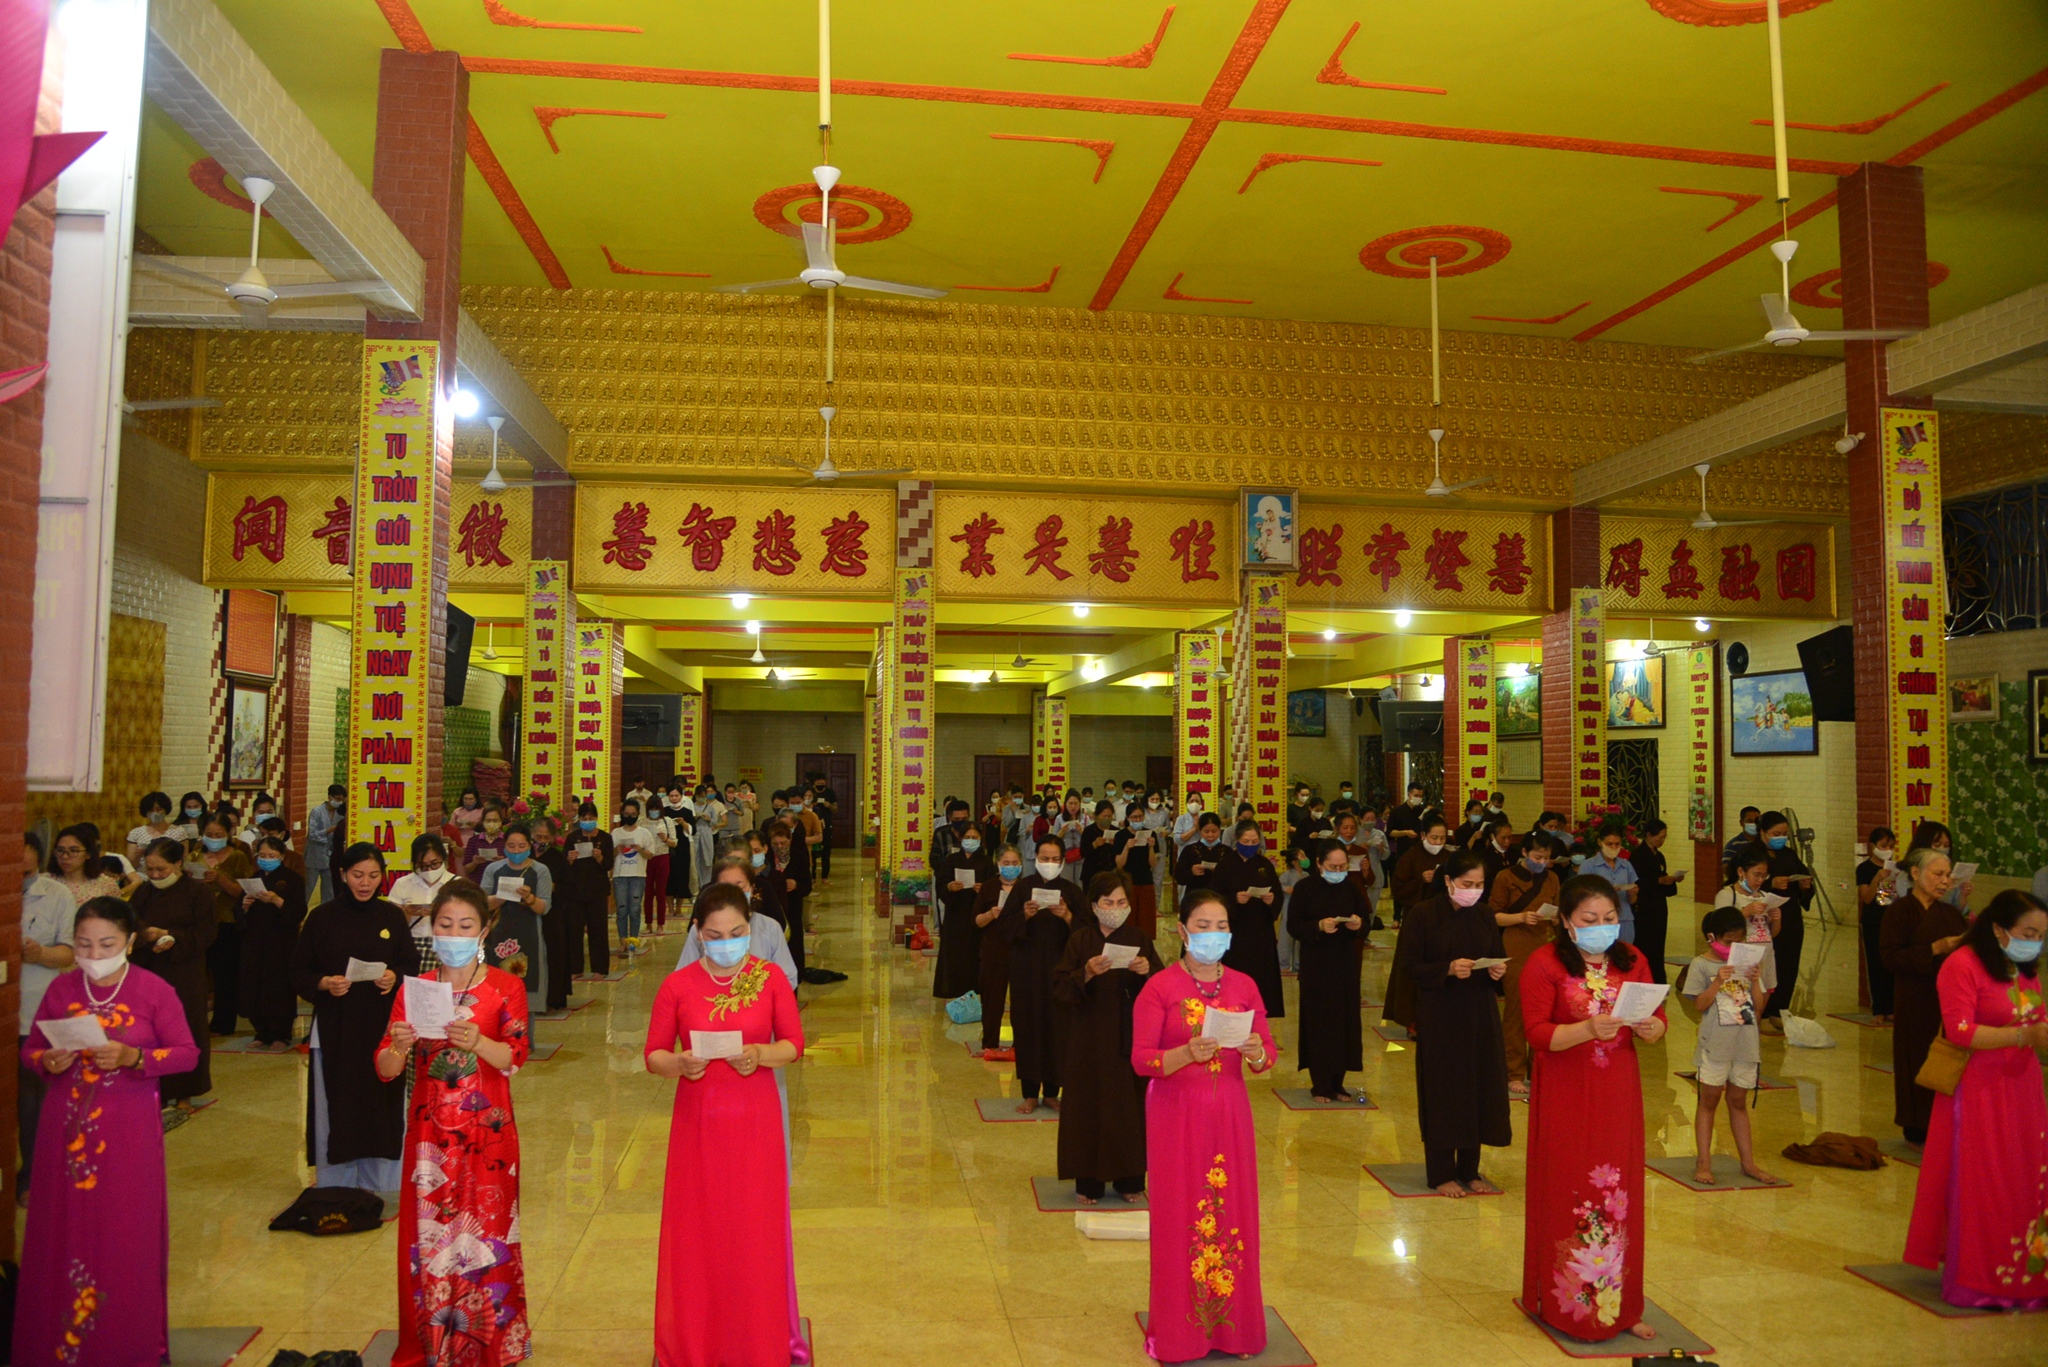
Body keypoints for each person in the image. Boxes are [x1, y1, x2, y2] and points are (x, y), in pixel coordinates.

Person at [14, 897, 199, 1367]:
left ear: (130, 942)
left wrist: (135, 1057)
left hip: (127, 1133)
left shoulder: (153, 989)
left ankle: (126, 1345)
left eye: (106, 944)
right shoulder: (61, 988)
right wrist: (47, 1059)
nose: (94, 955)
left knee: (123, 1233)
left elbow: (186, 1054)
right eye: (84, 945)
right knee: (63, 1233)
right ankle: (59, 1347)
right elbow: (31, 1050)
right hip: (65, 1133)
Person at [645, 883, 808, 1367]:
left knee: (753, 1233)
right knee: (699, 1234)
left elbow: (794, 1044)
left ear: (749, 929)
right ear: (698, 933)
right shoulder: (678, 986)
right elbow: (653, 1055)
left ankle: (755, 1340)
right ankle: (699, 1339)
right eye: (714, 935)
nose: (726, 943)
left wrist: (760, 1054)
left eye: (736, 933)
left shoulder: (769, 978)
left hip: (755, 1123)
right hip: (698, 1125)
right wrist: (679, 1064)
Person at [377, 878, 532, 1364]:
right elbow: (385, 1068)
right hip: (429, 1139)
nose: (454, 933)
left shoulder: (505, 986)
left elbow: (516, 1057)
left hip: (489, 1135)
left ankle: (489, 1340)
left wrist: (478, 1042)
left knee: (488, 1234)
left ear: (483, 931)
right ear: (432, 927)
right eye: (445, 924)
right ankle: (433, 1341)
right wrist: (398, 1045)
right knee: (430, 1237)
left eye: (466, 925)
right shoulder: (416, 990)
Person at [1130, 889, 1276, 1363]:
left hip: (1229, 1113)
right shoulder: (1160, 987)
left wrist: (1256, 1051)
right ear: (1182, 930)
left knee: (1232, 1215)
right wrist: (1184, 1053)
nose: (1213, 934)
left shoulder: (1245, 986)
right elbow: (1141, 1059)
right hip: (1175, 1113)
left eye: (1221, 926)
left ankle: (1234, 1331)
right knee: (1179, 1218)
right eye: (1202, 925)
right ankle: (1179, 1335)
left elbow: (1267, 1055)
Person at [1519, 877, 1667, 1344]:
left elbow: (1658, 1017)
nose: (1602, 927)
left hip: (1617, 1091)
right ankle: (1567, 1306)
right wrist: (1586, 1029)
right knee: (1568, 1188)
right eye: (1590, 919)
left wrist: (1653, 1028)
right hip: (1566, 1091)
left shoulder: (1632, 959)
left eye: (1609, 919)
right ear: (1566, 921)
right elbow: (1536, 1033)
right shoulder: (1544, 963)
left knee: (1619, 1193)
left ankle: (1622, 1306)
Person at [1903, 890, 2048, 1309]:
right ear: (1999, 929)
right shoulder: (1962, 964)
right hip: (1978, 1088)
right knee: (1985, 1180)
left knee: (2026, 1179)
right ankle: (1979, 1277)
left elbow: (2035, 1017)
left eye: (2041, 936)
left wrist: (2037, 1033)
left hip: (2023, 1087)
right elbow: (1960, 1031)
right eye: (2028, 933)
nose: (2035, 942)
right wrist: (2022, 1036)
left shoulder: (2022, 968)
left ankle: (2025, 1274)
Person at [290, 842, 417, 1192]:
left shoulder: (391, 916)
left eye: (373, 876)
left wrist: (394, 976)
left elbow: (410, 963)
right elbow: (298, 971)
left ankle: (383, 1182)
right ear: (343, 874)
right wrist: (324, 983)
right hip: (337, 1026)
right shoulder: (322, 917)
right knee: (338, 1102)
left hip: (382, 1025)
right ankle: (337, 1182)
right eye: (358, 875)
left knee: (382, 1102)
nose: (365, 883)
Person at [1052, 871, 1161, 1203]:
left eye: (1121, 902)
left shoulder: (1139, 938)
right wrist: (1085, 972)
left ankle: (1130, 1180)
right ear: (1094, 905)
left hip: (1129, 1036)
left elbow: (1162, 986)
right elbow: (1059, 986)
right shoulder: (1080, 940)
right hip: (1088, 1036)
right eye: (1108, 902)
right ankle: (1088, 1182)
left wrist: (1147, 972)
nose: (1115, 908)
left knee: (1128, 1107)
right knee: (1088, 1106)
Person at [1411, 851, 1512, 1195]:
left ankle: (1469, 1169)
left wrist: (1497, 970)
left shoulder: (1484, 915)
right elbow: (1410, 967)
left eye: (1479, 885)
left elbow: (1495, 954)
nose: (1474, 891)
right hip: (1440, 1013)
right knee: (1444, 1090)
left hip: (1479, 1012)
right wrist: (1448, 969)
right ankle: (1441, 1173)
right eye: (1467, 884)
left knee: (1478, 1087)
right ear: (1448, 881)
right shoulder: (1423, 914)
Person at [1880, 847, 1970, 1146]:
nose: (1945, 881)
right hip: (1915, 999)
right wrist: (1934, 948)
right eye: (1938, 874)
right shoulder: (1899, 911)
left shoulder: (1951, 913)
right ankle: (1916, 1123)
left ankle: (1948, 1121)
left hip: (1950, 999)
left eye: (1948, 875)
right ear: (1916, 873)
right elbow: (1890, 958)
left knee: (1949, 1059)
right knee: (1916, 1056)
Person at [1682, 906, 1777, 1186]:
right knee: (1709, 1100)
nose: (1734, 947)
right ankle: (1703, 1162)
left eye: (1740, 940)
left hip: (1745, 1043)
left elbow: (1758, 1008)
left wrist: (1755, 980)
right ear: (1712, 938)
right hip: (1715, 1044)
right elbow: (1699, 1005)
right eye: (1728, 941)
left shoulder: (1747, 964)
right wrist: (1718, 982)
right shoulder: (1700, 964)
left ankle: (1748, 1162)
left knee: (1738, 1101)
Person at [126, 837, 215, 1109]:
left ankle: (185, 1092)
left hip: (184, 972)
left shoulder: (198, 892)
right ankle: (156, 1089)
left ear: (177, 864)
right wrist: (145, 937)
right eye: (150, 869)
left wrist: (171, 935)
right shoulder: (143, 892)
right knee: (151, 1031)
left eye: (161, 869)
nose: (155, 875)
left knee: (186, 1029)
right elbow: (130, 926)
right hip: (149, 969)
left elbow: (206, 933)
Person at [1288, 839, 1368, 1100]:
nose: (1338, 871)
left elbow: (1366, 919)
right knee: (1319, 1023)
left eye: (1343, 866)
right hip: (1316, 965)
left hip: (1345, 964)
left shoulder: (1351, 887)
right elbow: (1293, 925)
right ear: (1320, 864)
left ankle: (1338, 1083)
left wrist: (1358, 925)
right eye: (1333, 867)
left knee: (1344, 1023)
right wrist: (1318, 926)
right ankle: (1320, 1084)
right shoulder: (1305, 888)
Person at [1006, 837, 1082, 1112]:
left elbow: (1086, 932)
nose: (1049, 863)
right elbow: (1004, 928)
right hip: (1027, 971)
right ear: (1035, 858)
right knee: (1028, 1027)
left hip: (1060, 971)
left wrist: (1068, 917)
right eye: (1044, 858)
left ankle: (1052, 1092)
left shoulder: (1072, 891)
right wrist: (1024, 916)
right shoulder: (1023, 888)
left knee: (1057, 1029)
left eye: (1055, 859)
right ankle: (1029, 1092)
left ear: (1062, 861)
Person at [18, 835, 76, 1191]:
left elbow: (68, 953)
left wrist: (40, 954)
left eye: (26, 872)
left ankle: (32, 1178)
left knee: (31, 1103)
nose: (20, 880)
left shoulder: (57, 895)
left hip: (34, 1012)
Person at [1494, 832, 1562, 1099]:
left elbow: (1558, 909)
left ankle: (1539, 1069)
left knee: (1544, 1009)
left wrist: (1556, 919)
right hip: (1516, 944)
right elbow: (1494, 916)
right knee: (1516, 1010)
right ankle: (1513, 1071)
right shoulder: (1505, 877)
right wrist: (1521, 917)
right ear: (1524, 853)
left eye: (1546, 858)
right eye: (1537, 857)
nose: (1542, 862)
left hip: (1544, 945)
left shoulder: (1553, 878)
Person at [238, 834, 306, 1053]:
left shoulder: (292, 879)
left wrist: (277, 900)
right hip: (255, 942)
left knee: (279, 987)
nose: (266, 859)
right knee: (255, 985)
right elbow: (238, 912)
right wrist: (245, 906)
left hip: (281, 943)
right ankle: (261, 1032)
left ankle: (281, 1033)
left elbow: (298, 911)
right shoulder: (254, 878)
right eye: (263, 855)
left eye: (271, 855)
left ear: (281, 856)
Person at [1384, 815, 1452, 1032]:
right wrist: (1420, 880)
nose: (1438, 842)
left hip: (1444, 920)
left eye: (1442, 838)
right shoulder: (1410, 857)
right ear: (1423, 835)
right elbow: (1398, 889)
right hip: (1416, 920)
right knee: (1413, 967)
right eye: (1434, 838)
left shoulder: (1450, 858)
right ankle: (1412, 1019)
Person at [480, 824, 552, 1019]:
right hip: (497, 935)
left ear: (529, 845)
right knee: (496, 989)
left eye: (521, 846)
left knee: (528, 985)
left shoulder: (540, 870)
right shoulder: (493, 869)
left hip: (529, 935)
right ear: (504, 846)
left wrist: (529, 898)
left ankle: (525, 1035)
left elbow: (544, 907)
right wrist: (502, 896)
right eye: (511, 846)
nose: (516, 851)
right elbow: (481, 904)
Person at [193, 813, 256, 1036]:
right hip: (200, 922)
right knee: (199, 974)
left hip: (228, 922)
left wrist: (220, 879)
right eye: (209, 834)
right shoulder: (194, 855)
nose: (213, 839)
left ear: (228, 834)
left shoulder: (237, 857)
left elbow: (244, 891)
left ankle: (223, 1022)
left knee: (225, 975)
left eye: (218, 835)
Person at [1214, 819, 1285, 1018]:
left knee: (1261, 976)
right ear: (1237, 840)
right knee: (1234, 977)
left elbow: (1277, 894)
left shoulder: (1264, 865)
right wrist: (1233, 899)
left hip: (1260, 930)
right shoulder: (1225, 864)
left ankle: (1260, 1015)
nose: (1250, 845)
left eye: (1254, 841)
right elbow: (1214, 896)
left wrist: (1271, 900)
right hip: (1234, 931)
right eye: (1246, 841)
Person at [1755, 811, 1814, 1022]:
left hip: (1790, 916)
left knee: (1788, 963)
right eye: (1776, 833)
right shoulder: (1751, 854)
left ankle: (1780, 1008)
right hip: (1762, 917)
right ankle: (1762, 1010)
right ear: (1763, 832)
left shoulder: (1789, 854)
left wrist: (1805, 885)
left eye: (1784, 834)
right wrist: (1770, 883)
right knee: (1765, 965)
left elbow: (1804, 877)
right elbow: (1739, 882)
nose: (1781, 838)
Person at [1711, 849, 1783, 1014]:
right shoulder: (1727, 895)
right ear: (1741, 872)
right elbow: (1721, 927)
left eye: (1764, 876)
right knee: (1742, 1010)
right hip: (1743, 958)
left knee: (1760, 1007)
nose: (1760, 880)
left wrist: (1777, 919)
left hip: (1765, 957)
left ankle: (1756, 1030)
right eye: (1756, 875)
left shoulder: (1765, 896)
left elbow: (1773, 933)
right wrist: (1747, 911)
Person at [933, 821, 997, 1001]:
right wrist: (949, 887)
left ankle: (976, 988)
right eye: (967, 837)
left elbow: (994, 886)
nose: (971, 840)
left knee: (975, 953)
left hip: (977, 915)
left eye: (974, 837)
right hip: (956, 913)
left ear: (980, 839)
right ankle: (953, 988)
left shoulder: (986, 862)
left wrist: (983, 889)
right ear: (960, 838)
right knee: (955, 953)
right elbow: (941, 885)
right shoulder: (951, 860)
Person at [976, 847, 1026, 1058]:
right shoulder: (988, 888)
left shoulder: (1026, 887)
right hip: (993, 952)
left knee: (1021, 1002)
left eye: (1015, 863)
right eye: (1006, 863)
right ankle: (990, 1042)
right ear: (997, 864)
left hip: (1021, 951)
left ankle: (1021, 1044)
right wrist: (990, 914)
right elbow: (977, 921)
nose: (1010, 867)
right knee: (992, 1000)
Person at [388, 833, 456, 976]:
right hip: (410, 948)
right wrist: (407, 913)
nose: (429, 870)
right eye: (423, 866)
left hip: (447, 947)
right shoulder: (403, 884)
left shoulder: (457, 884)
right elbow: (392, 928)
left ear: (444, 858)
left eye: (434, 864)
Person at [560, 802, 616, 979]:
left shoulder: (605, 838)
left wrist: (600, 858)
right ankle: (575, 968)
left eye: (591, 818)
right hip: (575, 892)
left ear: (596, 818)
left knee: (598, 930)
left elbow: (609, 864)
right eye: (584, 818)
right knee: (574, 931)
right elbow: (564, 866)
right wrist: (569, 859)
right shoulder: (572, 838)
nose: (587, 821)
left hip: (597, 890)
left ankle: (600, 968)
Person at [1854, 827, 1899, 1024]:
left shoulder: (1893, 868)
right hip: (1872, 922)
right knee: (1875, 965)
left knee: (1891, 965)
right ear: (1873, 846)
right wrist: (1877, 879)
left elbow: (1888, 898)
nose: (1887, 849)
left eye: (1891, 846)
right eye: (1883, 845)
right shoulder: (1864, 869)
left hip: (1890, 921)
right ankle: (1878, 1009)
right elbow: (1866, 897)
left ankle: (1891, 1007)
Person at [531, 818, 574, 1012]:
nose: (541, 841)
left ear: (553, 838)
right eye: (538, 837)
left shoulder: (557, 858)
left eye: (546, 837)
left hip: (552, 913)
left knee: (554, 954)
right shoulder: (525, 855)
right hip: (527, 912)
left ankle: (553, 998)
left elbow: (569, 887)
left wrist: (550, 887)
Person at [1629, 820, 1679, 983]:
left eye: (1664, 837)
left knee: (1658, 944)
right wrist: (1657, 881)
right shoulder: (1637, 856)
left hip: (1659, 906)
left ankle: (1658, 978)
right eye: (1660, 837)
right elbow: (1636, 882)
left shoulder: (1659, 856)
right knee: (1645, 943)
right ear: (1649, 835)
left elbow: (1663, 878)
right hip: (1644, 907)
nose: (1662, 841)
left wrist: (1671, 880)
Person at [1577, 823, 1640, 945]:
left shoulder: (1626, 865)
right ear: (1600, 842)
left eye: (1617, 844)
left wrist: (1632, 893)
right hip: (1599, 920)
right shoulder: (1589, 865)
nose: (1614, 848)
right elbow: (1580, 895)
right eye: (1609, 844)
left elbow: (1632, 901)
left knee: (1625, 952)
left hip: (1624, 918)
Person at [612, 799, 659, 953]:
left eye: (633, 814)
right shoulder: (616, 833)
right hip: (620, 876)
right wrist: (617, 850)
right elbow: (609, 856)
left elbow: (650, 855)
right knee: (621, 910)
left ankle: (633, 940)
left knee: (634, 909)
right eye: (626, 814)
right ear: (622, 814)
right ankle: (622, 941)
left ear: (638, 814)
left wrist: (639, 849)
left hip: (638, 875)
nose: (629, 817)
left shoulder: (644, 833)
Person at [1111, 804, 1160, 940]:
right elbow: (1119, 864)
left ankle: (1144, 946)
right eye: (1134, 817)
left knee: (1146, 920)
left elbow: (1153, 863)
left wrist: (1151, 847)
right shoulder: (1121, 836)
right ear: (1128, 818)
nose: (1138, 820)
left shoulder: (1151, 834)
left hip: (1146, 881)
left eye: (1140, 817)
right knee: (1128, 919)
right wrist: (1127, 847)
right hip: (1127, 883)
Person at [49, 824, 126, 904]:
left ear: (88, 854)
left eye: (74, 851)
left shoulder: (106, 885)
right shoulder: (45, 882)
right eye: (60, 850)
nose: (65, 856)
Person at [1172, 812, 1225, 908]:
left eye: (1214, 831)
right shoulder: (1189, 850)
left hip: (1219, 898)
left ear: (1219, 830)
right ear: (1200, 831)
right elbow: (1179, 877)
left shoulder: (1227, 851)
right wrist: (1191, 872)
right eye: (1206, 831)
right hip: (1195, 898)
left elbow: (1233, 879)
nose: (1210, 835)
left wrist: (1220, 872)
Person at [306, 783, 346, 905]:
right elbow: (312, 834)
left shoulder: (340, 814)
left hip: (330, 856)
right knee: (308, 887)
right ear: (330, 797)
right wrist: (329, 830)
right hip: (314, 856)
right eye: (337, 799)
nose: (339, 802)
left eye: (342, 800)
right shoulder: (317, 812)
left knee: (329, 890)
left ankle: (326, 912)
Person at [126, 790, 179, 866]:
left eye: (159, 809)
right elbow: (131, 865)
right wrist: (138, 855)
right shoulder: (135, 833)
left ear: (165, 810)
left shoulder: (178, 831)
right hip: (141, 872)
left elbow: (181, 862)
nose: (155, 813)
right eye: (151, 810)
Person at [1385, 782, 1428, 866]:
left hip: (1419, 852)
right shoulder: (1397, 812)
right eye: (1416, 795)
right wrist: (1405, 832)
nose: (1418, 798)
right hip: (1402, 851)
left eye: (1420, 796)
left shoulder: (1422, 812)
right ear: (1409, 794)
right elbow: (1390, 832)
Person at [462, 804, 509, 881]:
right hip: (478, 883)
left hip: (500, 882)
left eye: (495, 820)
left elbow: (515, 867)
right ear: (483, 822)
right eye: (488, 820)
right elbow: (466, 869)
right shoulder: (473, 841)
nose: (491, 823)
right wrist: (475, 862)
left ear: (501, 821)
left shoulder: (507, 840)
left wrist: (502, 863)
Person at [1722, 805, 1762, 874]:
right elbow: (1726, 868)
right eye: (1750, 821)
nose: (1754, 824)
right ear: (1741, 823)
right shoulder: (1733, 844)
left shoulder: (1765, 842)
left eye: (1756, 821)